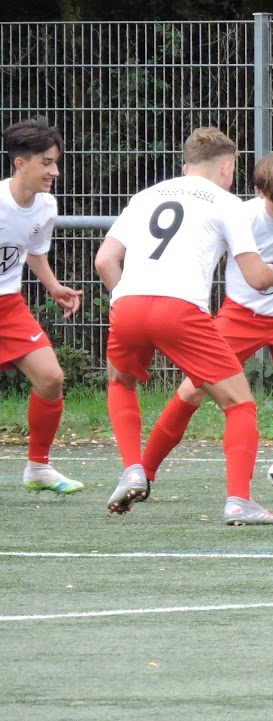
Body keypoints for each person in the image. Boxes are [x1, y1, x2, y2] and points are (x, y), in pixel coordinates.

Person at [93, 126, 273, 525]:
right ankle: (238, 501)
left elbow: (105, 261)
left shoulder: (146, 196)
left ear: (185, 166)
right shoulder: (226, 201)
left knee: (120, 383)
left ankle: (133, 469)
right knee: (239, 404)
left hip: (127, 302)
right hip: (180, 309)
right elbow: (256, 277)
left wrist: (125, 300)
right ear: (227, 167)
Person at [137, 152, 273, 502]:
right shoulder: (239, 216)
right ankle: (143, 473)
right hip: (240, 316)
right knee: (192, 390)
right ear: (259, 191)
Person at [1, 116, 84, 495]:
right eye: (47, 162)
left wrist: (53, 286)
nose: (55, 171)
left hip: (10, 306)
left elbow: (33, 252)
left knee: (51, 378)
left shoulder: (45, 206)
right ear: (21, 164)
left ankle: (38, 467)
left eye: (55, 162)